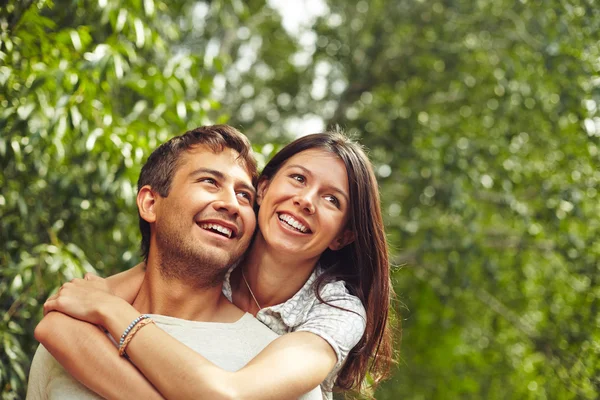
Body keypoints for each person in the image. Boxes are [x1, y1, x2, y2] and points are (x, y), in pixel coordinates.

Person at [34, 128, 394, 399]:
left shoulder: (337, 309)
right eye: (298, 178)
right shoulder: (219, 248)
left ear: (342, 236)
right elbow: (60, 323)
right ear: (265, 191)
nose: (305, 200)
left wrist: (114, 313)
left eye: (332, 199)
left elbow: (228, 395)